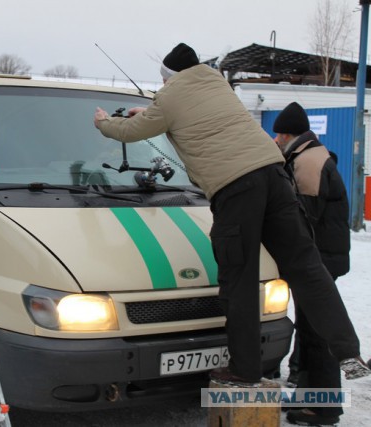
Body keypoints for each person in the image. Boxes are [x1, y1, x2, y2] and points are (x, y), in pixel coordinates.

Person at [92, 42, 370, 387]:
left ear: (169, 76)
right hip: (275, 177)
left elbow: (133, 131)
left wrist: (105, 122)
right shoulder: (217, 84)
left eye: (164, 80)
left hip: (237, 190)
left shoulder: (170, 95)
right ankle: (347, 348)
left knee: (239, 281)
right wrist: (149, 113)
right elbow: (185, 116)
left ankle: (245, 369)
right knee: (306, 267)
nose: (164, 86)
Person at [272, 102, 350, 425]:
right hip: (319, 259)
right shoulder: (308, 156)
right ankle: (309, 399)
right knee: (309, 330)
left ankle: (325, 408)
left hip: (318, 261)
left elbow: (303, 220)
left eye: (279, 135)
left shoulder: (308, 163)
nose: (276, 140)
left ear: (290, 134)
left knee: (319, 334)